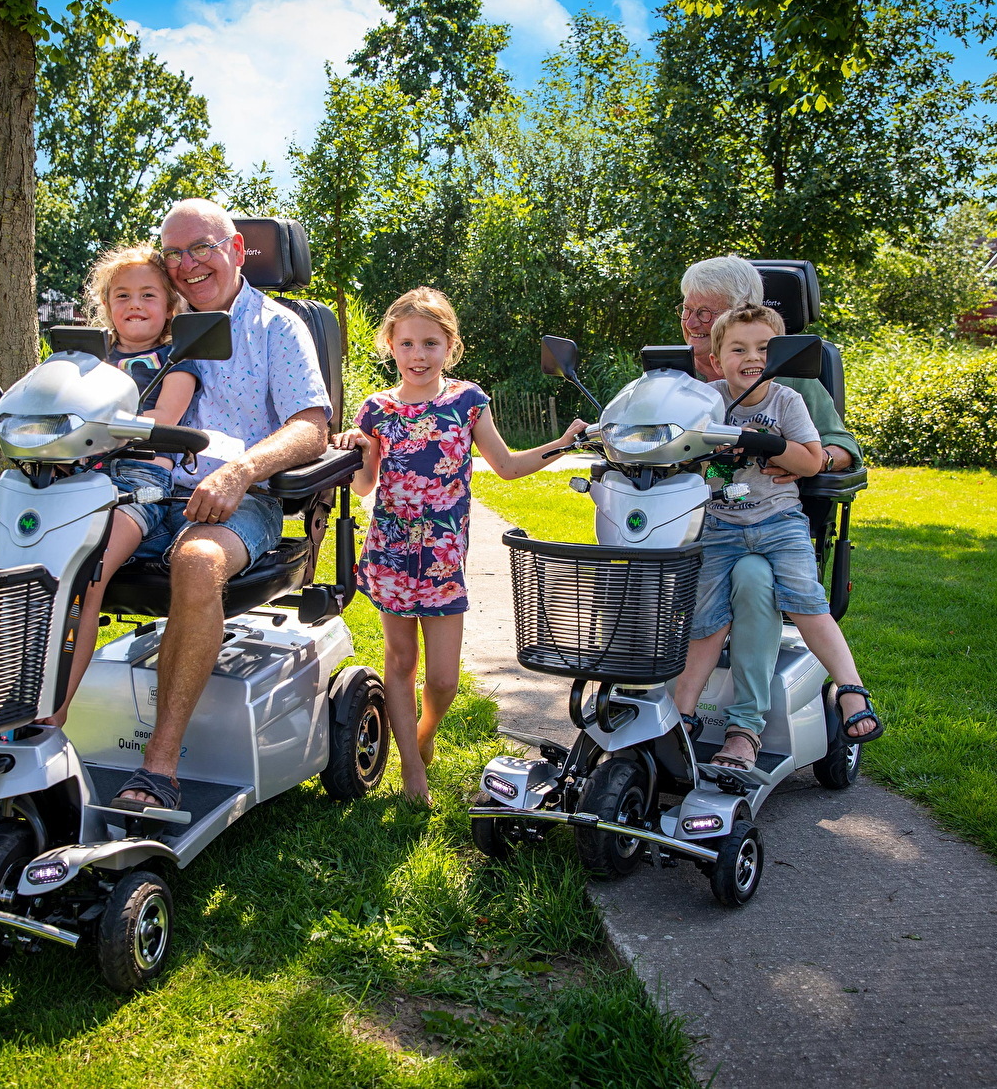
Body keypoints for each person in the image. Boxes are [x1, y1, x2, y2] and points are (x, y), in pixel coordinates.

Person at [110, 199, 333, 813]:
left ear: (237, 251)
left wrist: (241, 470)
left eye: (203, 247)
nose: (188, 264)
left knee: (198, 561)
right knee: (55, 553)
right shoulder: (150, 320)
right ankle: (28, 730)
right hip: (141, 493)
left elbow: (312, 426)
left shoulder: (276, 327)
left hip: (245, 501)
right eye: (175, 253)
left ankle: (159, 767)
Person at [334, 287, 587, 804]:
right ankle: (411, 772)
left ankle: (422, 735)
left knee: (445, 680)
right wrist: (356, 447)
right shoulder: (376, 410)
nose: (418, 356)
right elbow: (363, 486)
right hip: (391, 555)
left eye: (430, 343)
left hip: (444, 559)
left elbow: (509, 466)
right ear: (390, 345)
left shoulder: (467, 402)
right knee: (400, 662)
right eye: (406, 344)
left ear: (451, 346)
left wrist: (561, 445)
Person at [675, 255, 880, 748]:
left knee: (754, 577)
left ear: (740, 310)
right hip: (704, 523)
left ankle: (746, 729)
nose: (693, 321)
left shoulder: (792, 380)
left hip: (776, 521)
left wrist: (804, 458)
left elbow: (840, 449)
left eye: (707, 311)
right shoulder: (677, 379)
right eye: (688, 309)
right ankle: (672, 710)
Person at [41, 244, 203, 727]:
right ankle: (7, 698)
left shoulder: (178, 361)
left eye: (149, 295)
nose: (136, 304)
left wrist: (92, 421)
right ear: (106, 305)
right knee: (29, 579)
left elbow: (163, 418)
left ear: (171, 306)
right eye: (122, 295)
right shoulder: (89, 362)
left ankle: (53, 716)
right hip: (77, 478)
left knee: (85, 579)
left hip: (139, 483)